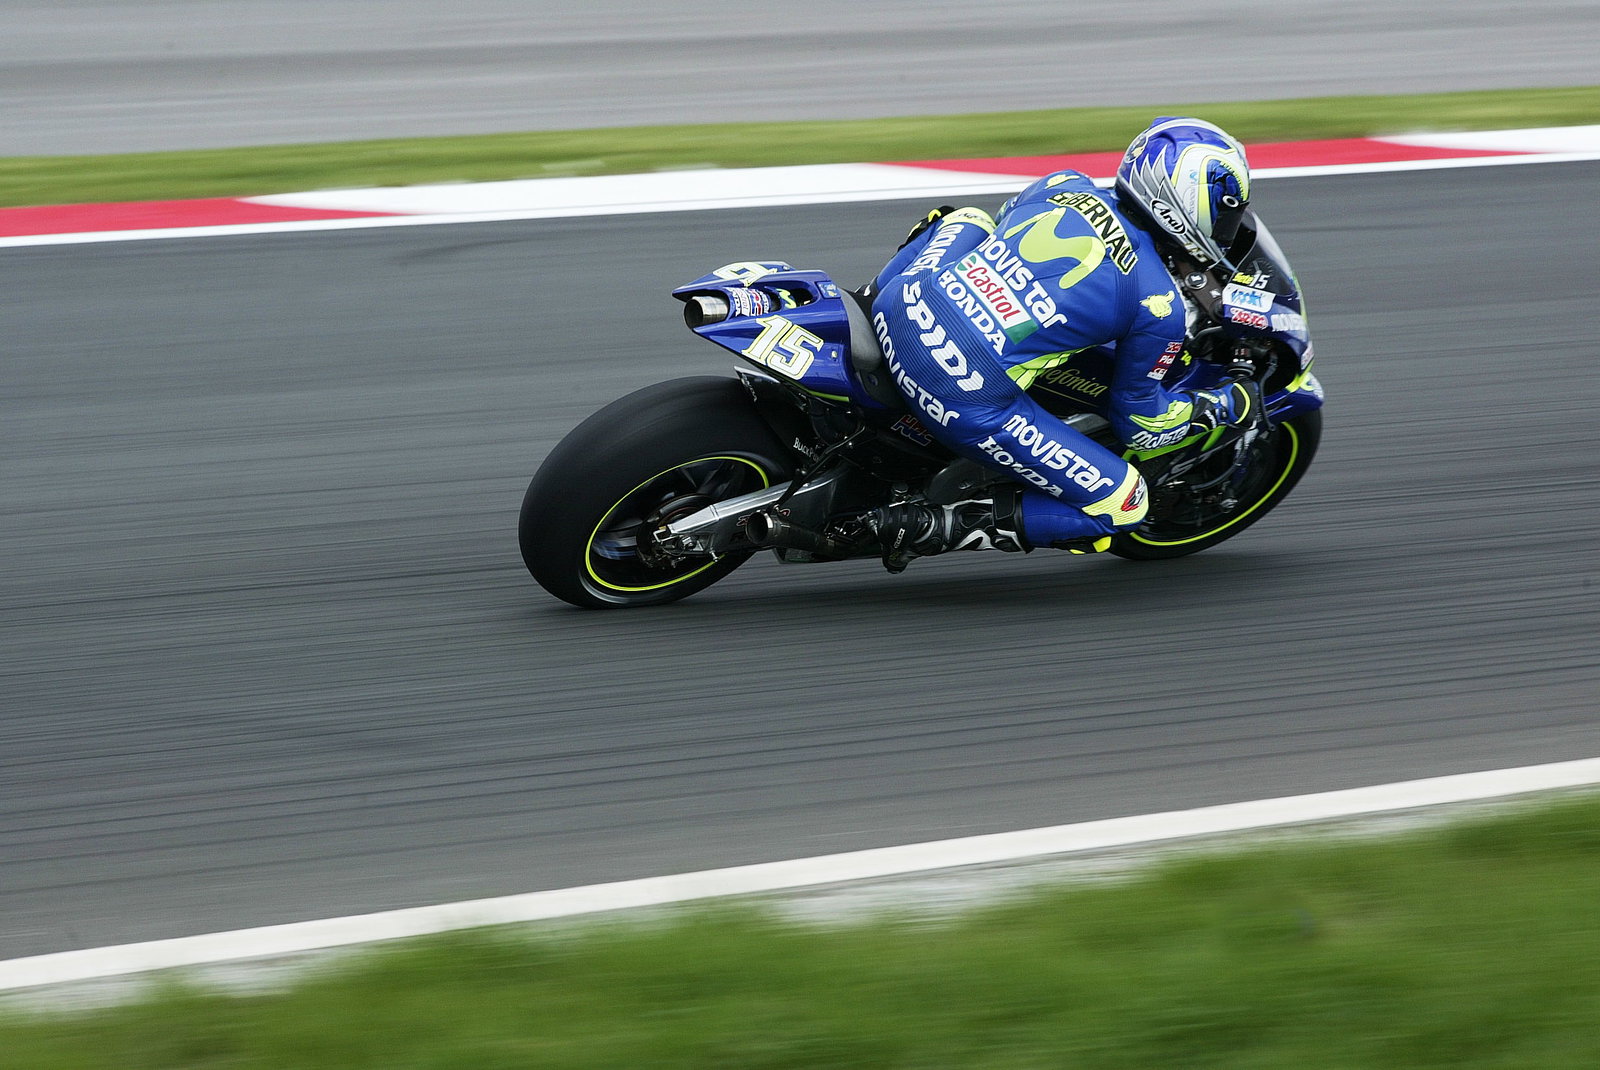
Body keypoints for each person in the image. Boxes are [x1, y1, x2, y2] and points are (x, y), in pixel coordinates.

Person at [866, 117, 1263, 572]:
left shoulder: (1063, 182)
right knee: (1125, 504)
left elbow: (1003, 233)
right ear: (1184, 204)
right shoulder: (1159, 306)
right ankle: (918, 526)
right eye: (1227, 212)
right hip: (960, 393)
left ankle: (859, 302)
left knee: (968, 218)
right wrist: (1223, 407)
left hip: (898, 303)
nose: (1228, 225)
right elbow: (1142, 426)